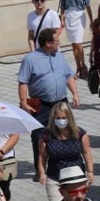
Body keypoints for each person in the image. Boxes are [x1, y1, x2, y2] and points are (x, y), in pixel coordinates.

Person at [19, 28, 80, 170]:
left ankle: (64, 164)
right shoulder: (30, 59)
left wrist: (75, 94)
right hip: (41, 105)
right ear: (48, 43)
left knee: (64, 132)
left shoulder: (59, 56)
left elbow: (68, 76)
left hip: (60, 103)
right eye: (57, 41)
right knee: (39, 136)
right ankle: (40, 168)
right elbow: (23, 82)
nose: (59, 44)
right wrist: (23, 103)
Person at [37, 101, 93, 201]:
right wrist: (42, 172)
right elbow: (42, 156)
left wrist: (90, 171)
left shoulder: (80, 134)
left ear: (69, 118)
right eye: (58, 118)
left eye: (63, 118)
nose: (61, 121)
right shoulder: (46, 136)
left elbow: (87, 152)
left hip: (77, 180)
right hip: (55, 178)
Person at [58, 0, 94, 79]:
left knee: (78, 42)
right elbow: (63, 5)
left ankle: (84, 67)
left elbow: (87, 5)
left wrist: (92, 20)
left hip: (79, 16)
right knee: (73, 44)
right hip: (69, 15)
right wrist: (62, 19)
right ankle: (78, 67)